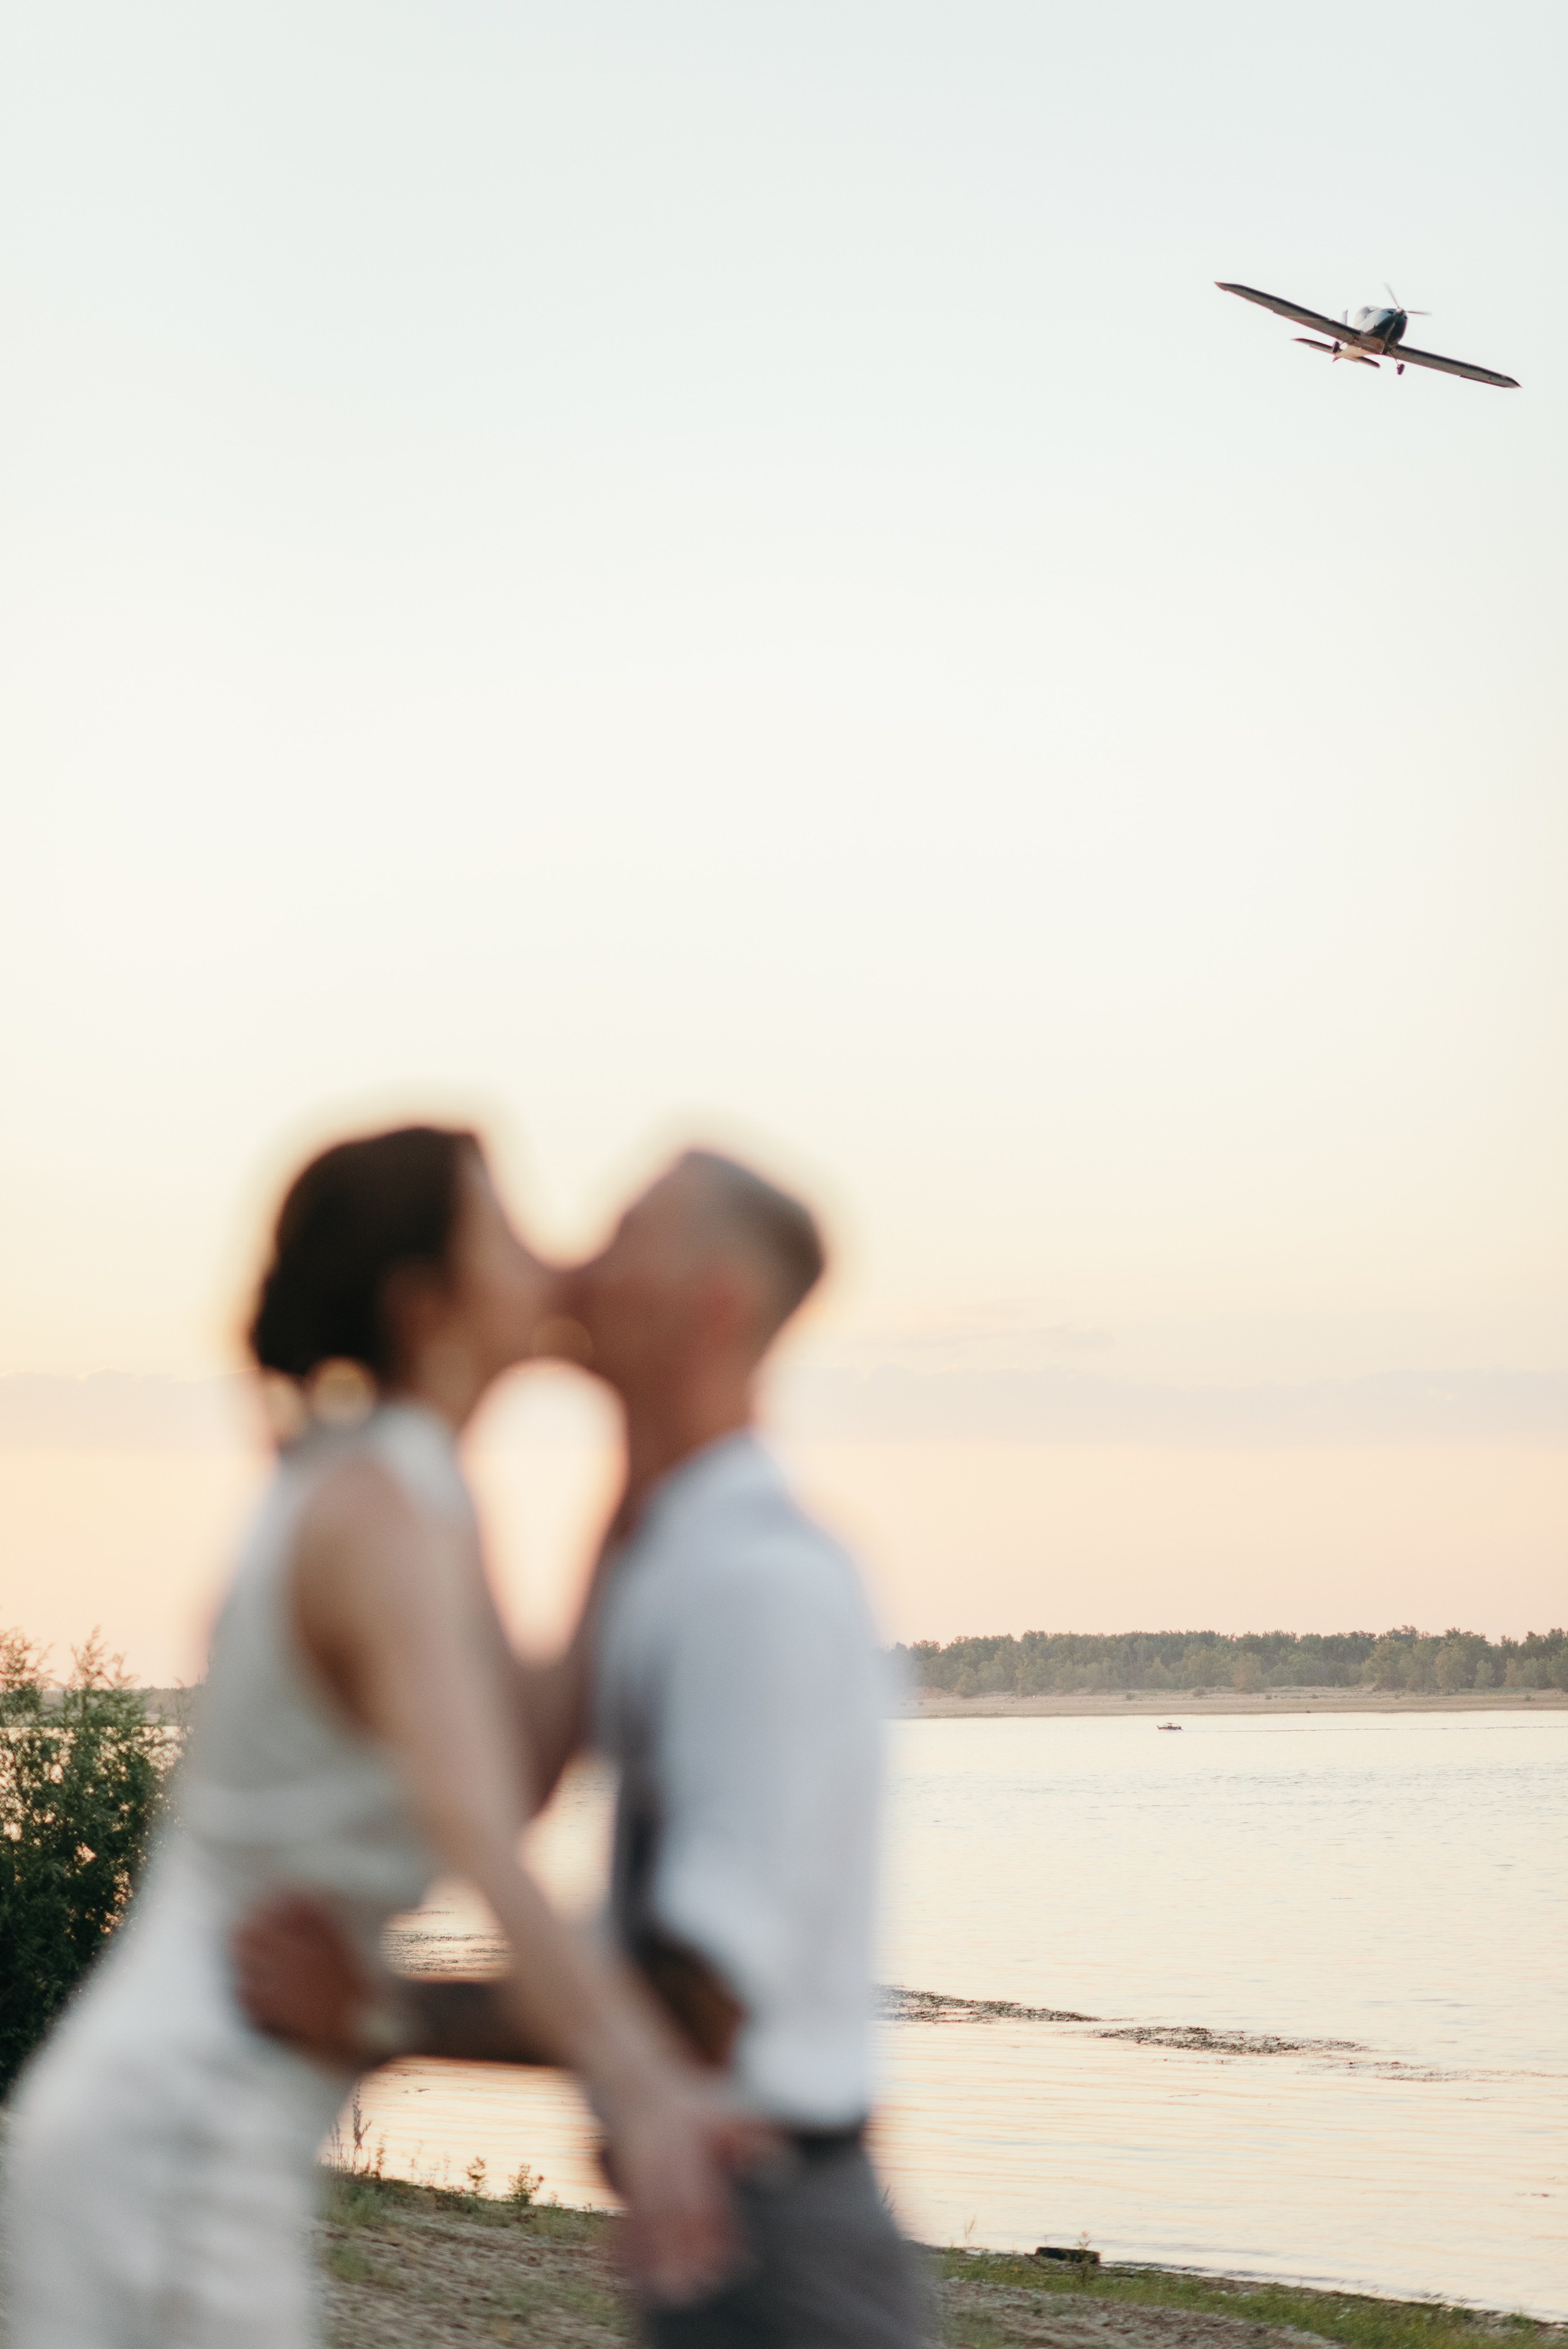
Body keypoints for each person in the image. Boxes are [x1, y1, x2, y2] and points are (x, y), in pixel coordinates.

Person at [1, 1127, 755, 2349]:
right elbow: (479, 1833)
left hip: (207, 2108)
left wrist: (632, 1444)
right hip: (179, 2120)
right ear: (426, 1307)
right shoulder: (378, 1510)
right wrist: (647, 2083)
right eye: (506, 1233)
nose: (548, 1255)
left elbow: (518, 1773)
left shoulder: (412, 1490)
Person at [233, 1148, 928, 2347]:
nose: (579, 1262)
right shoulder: (665, 1553)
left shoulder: (755, 1584)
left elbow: (698, 2004)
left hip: (778, 2241)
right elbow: (509, 1784)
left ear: (712, 1303)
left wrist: (375, 2008)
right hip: (714, 2214)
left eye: (624, 1234)